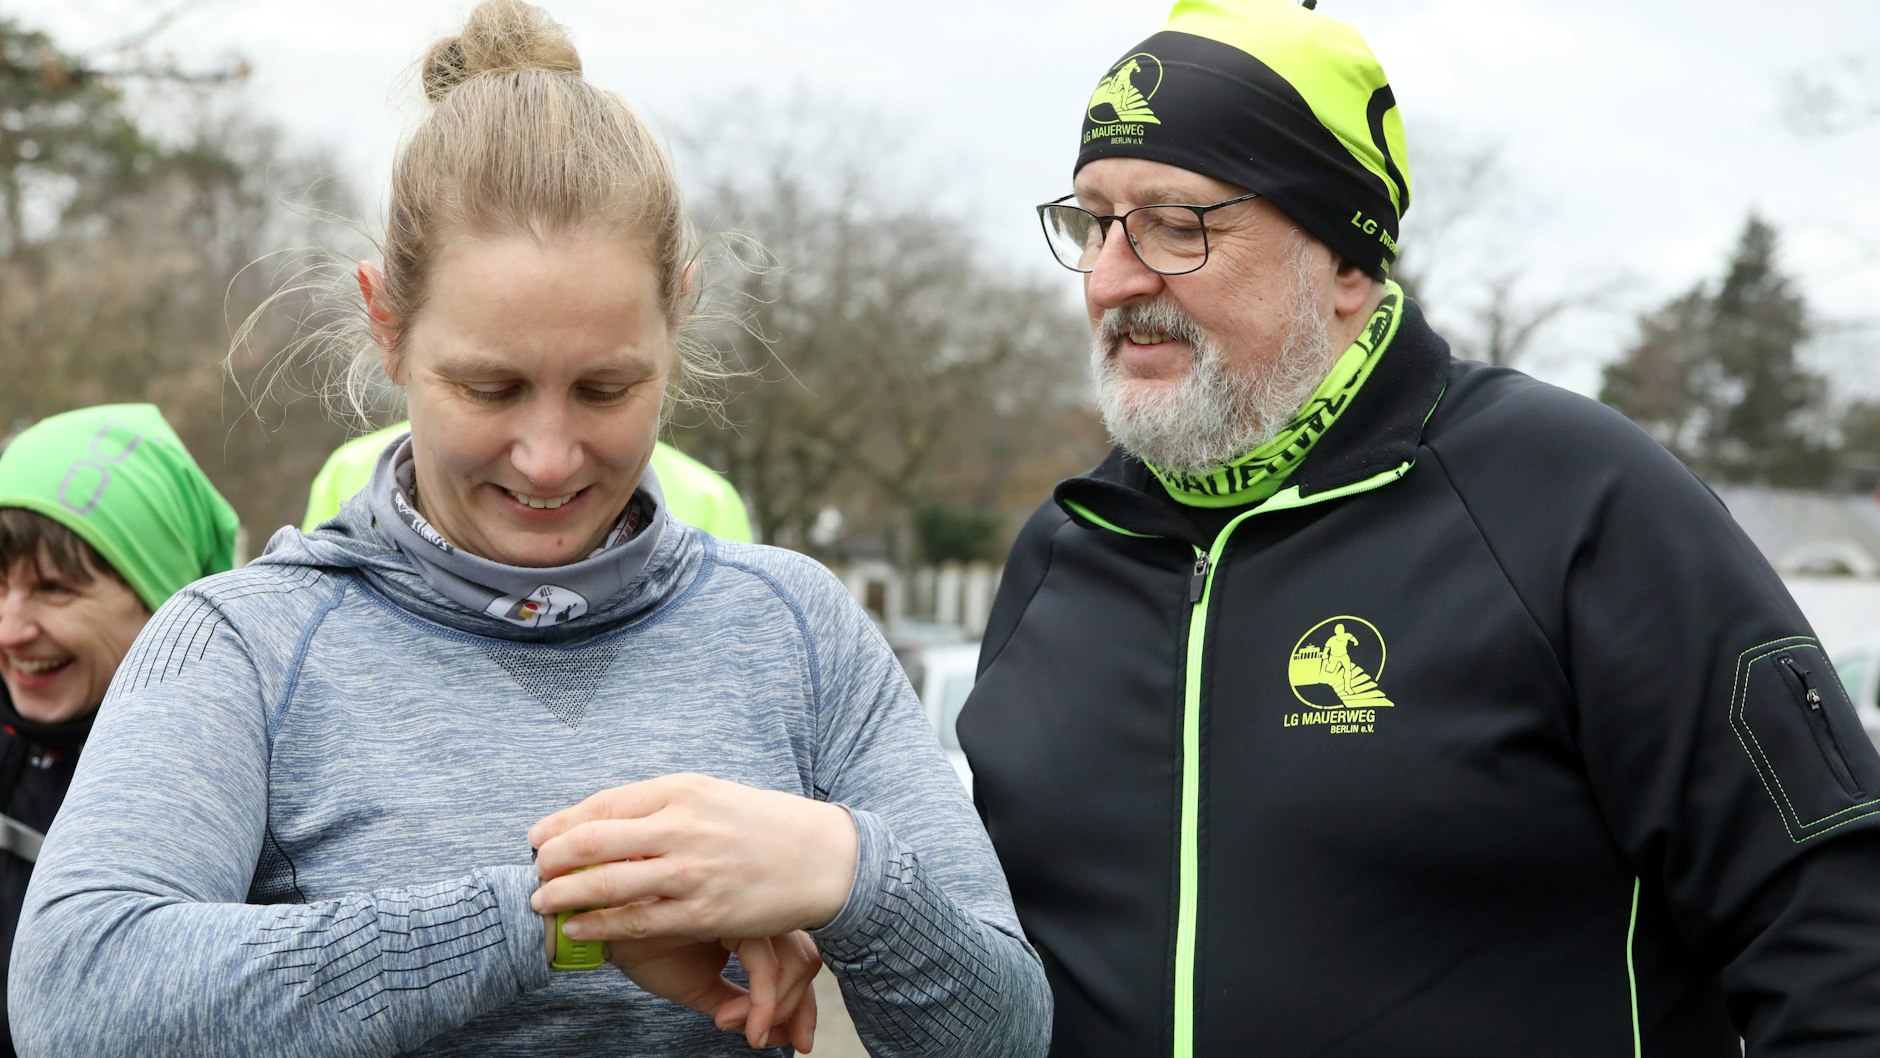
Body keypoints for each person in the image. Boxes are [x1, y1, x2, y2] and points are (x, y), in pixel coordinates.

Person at [10, 4, 1048, 1056]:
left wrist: (851, 871)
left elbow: (1005, 1030)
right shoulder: (242, 642)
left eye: (605, 387)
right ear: (386, 327)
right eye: (489, 386)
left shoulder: (797, 630)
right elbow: (80, 1002)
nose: (548, 456)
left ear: (676, 319)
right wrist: (561, 914)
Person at [956, 1, 1880, 1055]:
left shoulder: (1576, 500)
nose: (1114, 278)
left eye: (1176, 223)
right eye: (1092, 220)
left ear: (1345, 262)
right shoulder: (1062, 548)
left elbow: (1834, 932)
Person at [0, 404, 239, 1058]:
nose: (10, 630)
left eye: (53, 589)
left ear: (163, 604)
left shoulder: (239, 800)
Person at [303, 423, 755, 543]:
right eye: (490, 388)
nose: (547, 468)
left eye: (603, 390)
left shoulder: (709, 497)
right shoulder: (349, 472)